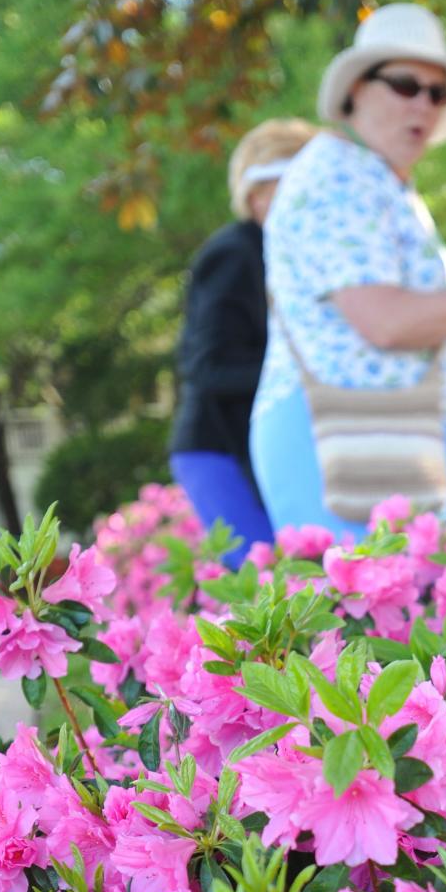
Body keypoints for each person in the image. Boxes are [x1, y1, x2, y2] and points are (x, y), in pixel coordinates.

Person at [250, 3, 446, 539]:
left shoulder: (380, 180)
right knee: (354, 619)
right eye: (406, 85)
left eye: (438, 93)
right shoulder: (339, 174)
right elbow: (383, 321)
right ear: (355, 90)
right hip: (339, 441)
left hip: (386, 441)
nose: (425, 105)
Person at [168, 118, 315, 562]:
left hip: (259, 445)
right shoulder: (235, 252)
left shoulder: (293, 256)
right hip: (218, 449)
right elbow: (205, 367)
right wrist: (310, 376)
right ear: (256, 195)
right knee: (268, 588)